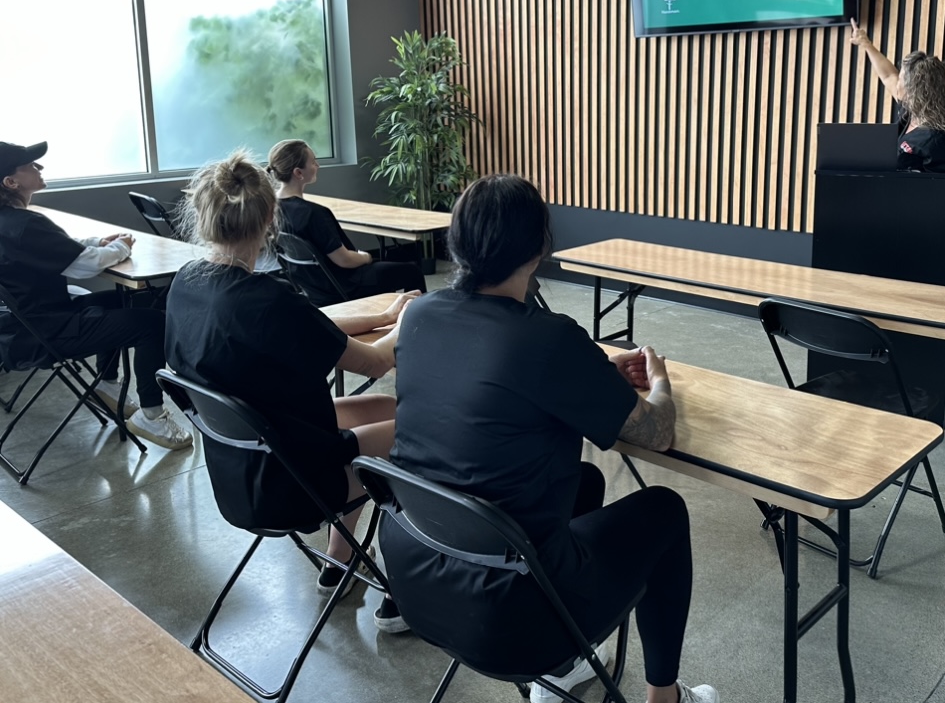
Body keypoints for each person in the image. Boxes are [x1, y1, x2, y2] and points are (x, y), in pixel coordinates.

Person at [382, 174, 718, 703]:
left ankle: (563, 668)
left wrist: (593, 371)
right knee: (666, 511)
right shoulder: (550, 338)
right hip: (511, 618)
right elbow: (656, 432)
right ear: (540, 246)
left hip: (415, 577)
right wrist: (658, 382)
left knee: (581, 479)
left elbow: (487, 383)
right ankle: (666, 698)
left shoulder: (421, 315)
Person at [165, 150, 418, 631]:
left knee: (387, 406)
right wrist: (406, 321)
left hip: (240, 468)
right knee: (420, 426)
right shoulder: (268, 300)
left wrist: (381, 316)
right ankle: (405, 591)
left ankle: (339, 566)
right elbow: (377, 360)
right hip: (294, 484)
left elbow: (314, 326)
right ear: (269, 217)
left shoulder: (190, 284)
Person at [0, 140, 192, 450]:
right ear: (11, 182)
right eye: (31, 165)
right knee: (152, 324)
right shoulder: (25, 224)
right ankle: (151, 415)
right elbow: (85, 266)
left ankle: (107, 383)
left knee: (131, 301)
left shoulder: (13, 223)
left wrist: (98, 241)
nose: (40, 167)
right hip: (47, 332)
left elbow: (60, 246)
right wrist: (120, 248)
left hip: (22, 329)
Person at [266, 139, 427, 305]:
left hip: (312, 286)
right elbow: (344, 260)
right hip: (344, 284)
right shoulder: (314, 213)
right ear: (299, 173)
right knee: (411, 271)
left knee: (385, 270)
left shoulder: (270, 208)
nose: (318, 166)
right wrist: (366, 257)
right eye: (313, 162)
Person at [849, 19, 945, 171]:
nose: (897, 83)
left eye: (900, 79)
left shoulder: (935, 141)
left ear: (913, 91)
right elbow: (888, 76)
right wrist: (865, 43)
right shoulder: (912, 110)